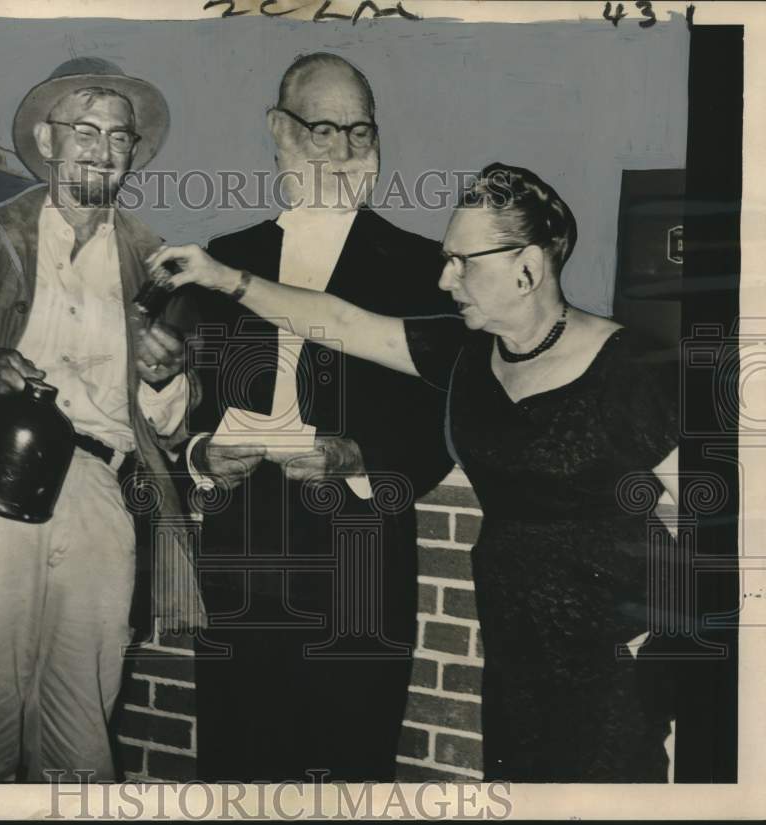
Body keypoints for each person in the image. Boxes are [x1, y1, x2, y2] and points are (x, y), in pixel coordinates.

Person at [150, 162, 680, 782]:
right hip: (515, 647)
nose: (443, 277)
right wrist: (223, 277)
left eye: (462, 261)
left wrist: (675, 649)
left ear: (528, 268)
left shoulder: (635, 366)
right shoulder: (467, 354)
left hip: (617, 653)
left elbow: (726, 518)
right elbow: (341, 321)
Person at [0, 58, 204, 782]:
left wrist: (165, 375)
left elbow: (172, 424)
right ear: (48, 142)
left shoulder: (158, 265)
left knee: (83, 737)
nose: (102, 147)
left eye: (119, 135)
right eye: (84, 128)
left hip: (98, 499)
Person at [166, 53, 459, 782]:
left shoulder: (425, 270)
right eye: (321, 128)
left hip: (360, 574)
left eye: (360, 131)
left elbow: (445, 421)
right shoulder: (219, 263)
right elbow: (182, 411)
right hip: (239, 572)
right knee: (235, 777)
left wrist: (360, 457)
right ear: (279, 130)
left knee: (348, 777)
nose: (342, 149)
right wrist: (202, 455)